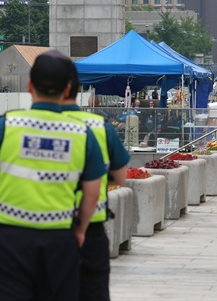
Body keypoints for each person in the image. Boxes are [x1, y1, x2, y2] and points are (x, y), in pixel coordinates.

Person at [0, 50, 105, 300]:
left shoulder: (5, 125)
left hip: (10, 237)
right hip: (60, 239)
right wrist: (80, 229)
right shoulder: (83, 134)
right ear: (68, 89)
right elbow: (92, 193)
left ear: (29, 86)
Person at [61, 62, 130, 301]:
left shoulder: (12, 125)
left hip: (27, 229)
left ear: (31, 86)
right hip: (88, 228)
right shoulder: (99, 127)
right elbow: (120, 178)